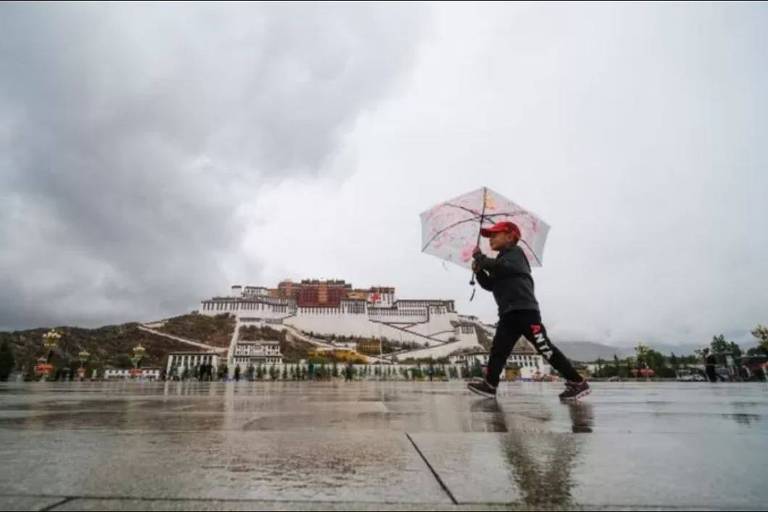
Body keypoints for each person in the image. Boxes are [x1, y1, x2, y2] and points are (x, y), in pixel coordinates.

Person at [466, 221, 590, 401]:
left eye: (495, 234)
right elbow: (491, 285)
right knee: (498, 351)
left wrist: (480, 258)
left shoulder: (515, 254)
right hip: (508, 314)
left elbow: (502, 267)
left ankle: (577, 382)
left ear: (510, 237)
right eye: (489, 236)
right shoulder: (500, 259)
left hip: (526, 312)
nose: (490, 239)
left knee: (545, 348)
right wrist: (479, 273)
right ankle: (490, 385)